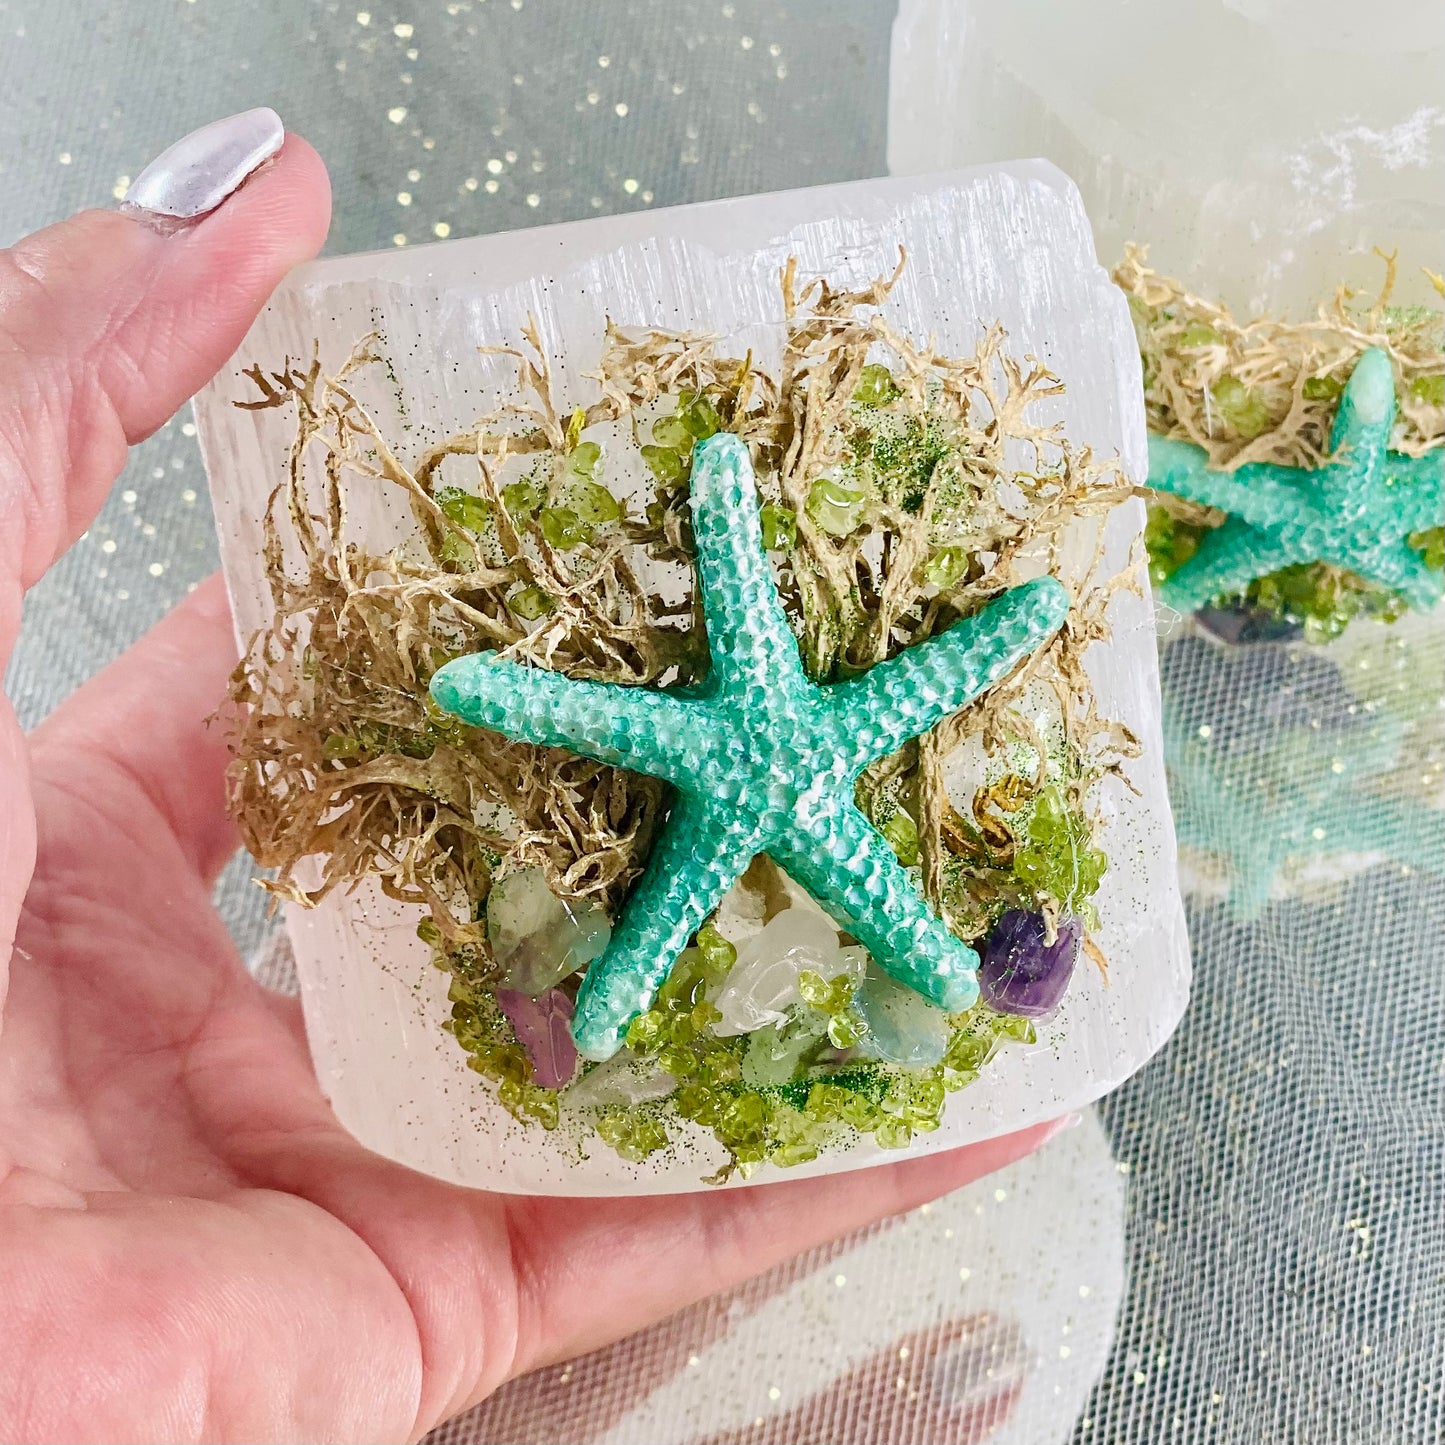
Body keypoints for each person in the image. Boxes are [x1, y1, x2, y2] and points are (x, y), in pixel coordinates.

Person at [0, 114, 1059, 1443]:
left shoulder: (782, 760)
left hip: (756, 776)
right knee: (696, 905)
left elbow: (892, 700)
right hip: (746, 781)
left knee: (710, 913)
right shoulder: (780, 761)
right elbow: (748, 750)